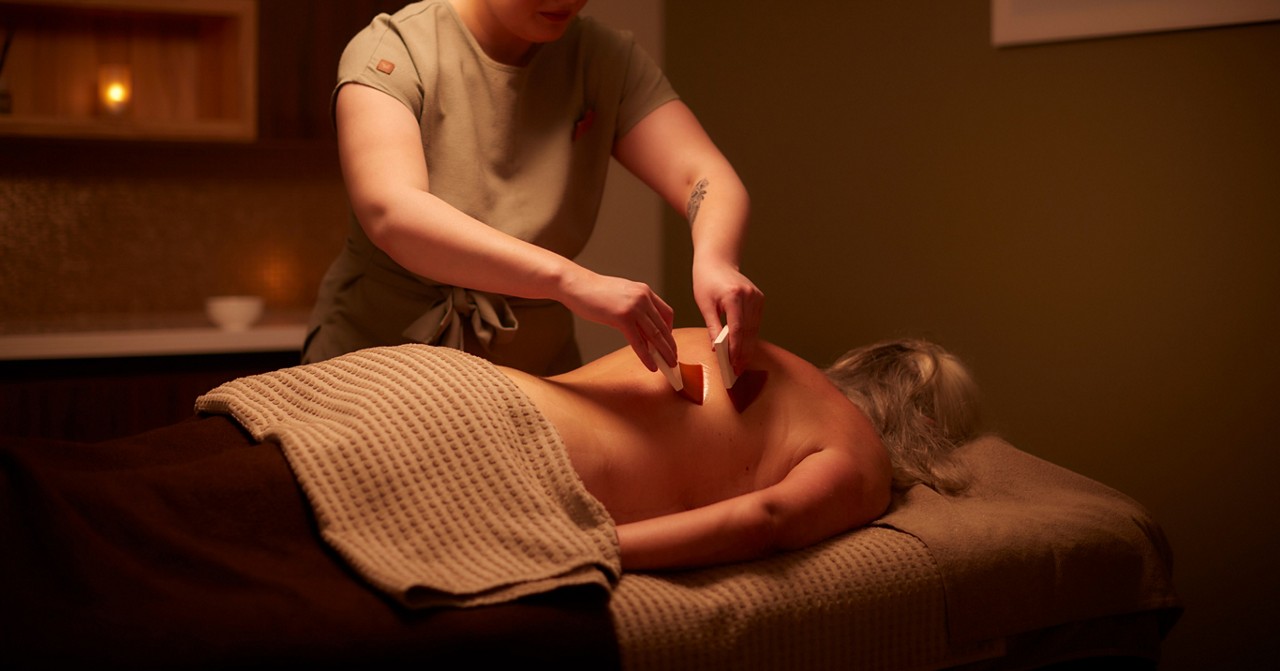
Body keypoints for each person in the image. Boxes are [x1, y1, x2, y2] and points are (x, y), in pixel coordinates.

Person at [304, 0, 763, 379]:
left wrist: (717, 260)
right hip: (381, 364)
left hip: (539, 374)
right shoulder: (392, 50)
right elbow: (393, 214)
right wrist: (571, 281)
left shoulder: (603, 58)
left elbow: (700, 174)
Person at [497, 327, 980, 570]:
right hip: (515, 465)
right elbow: (763, 520)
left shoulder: (755, 350)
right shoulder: (862, 456)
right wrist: (586, 552)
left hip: (461, 381)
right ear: (927, 430)